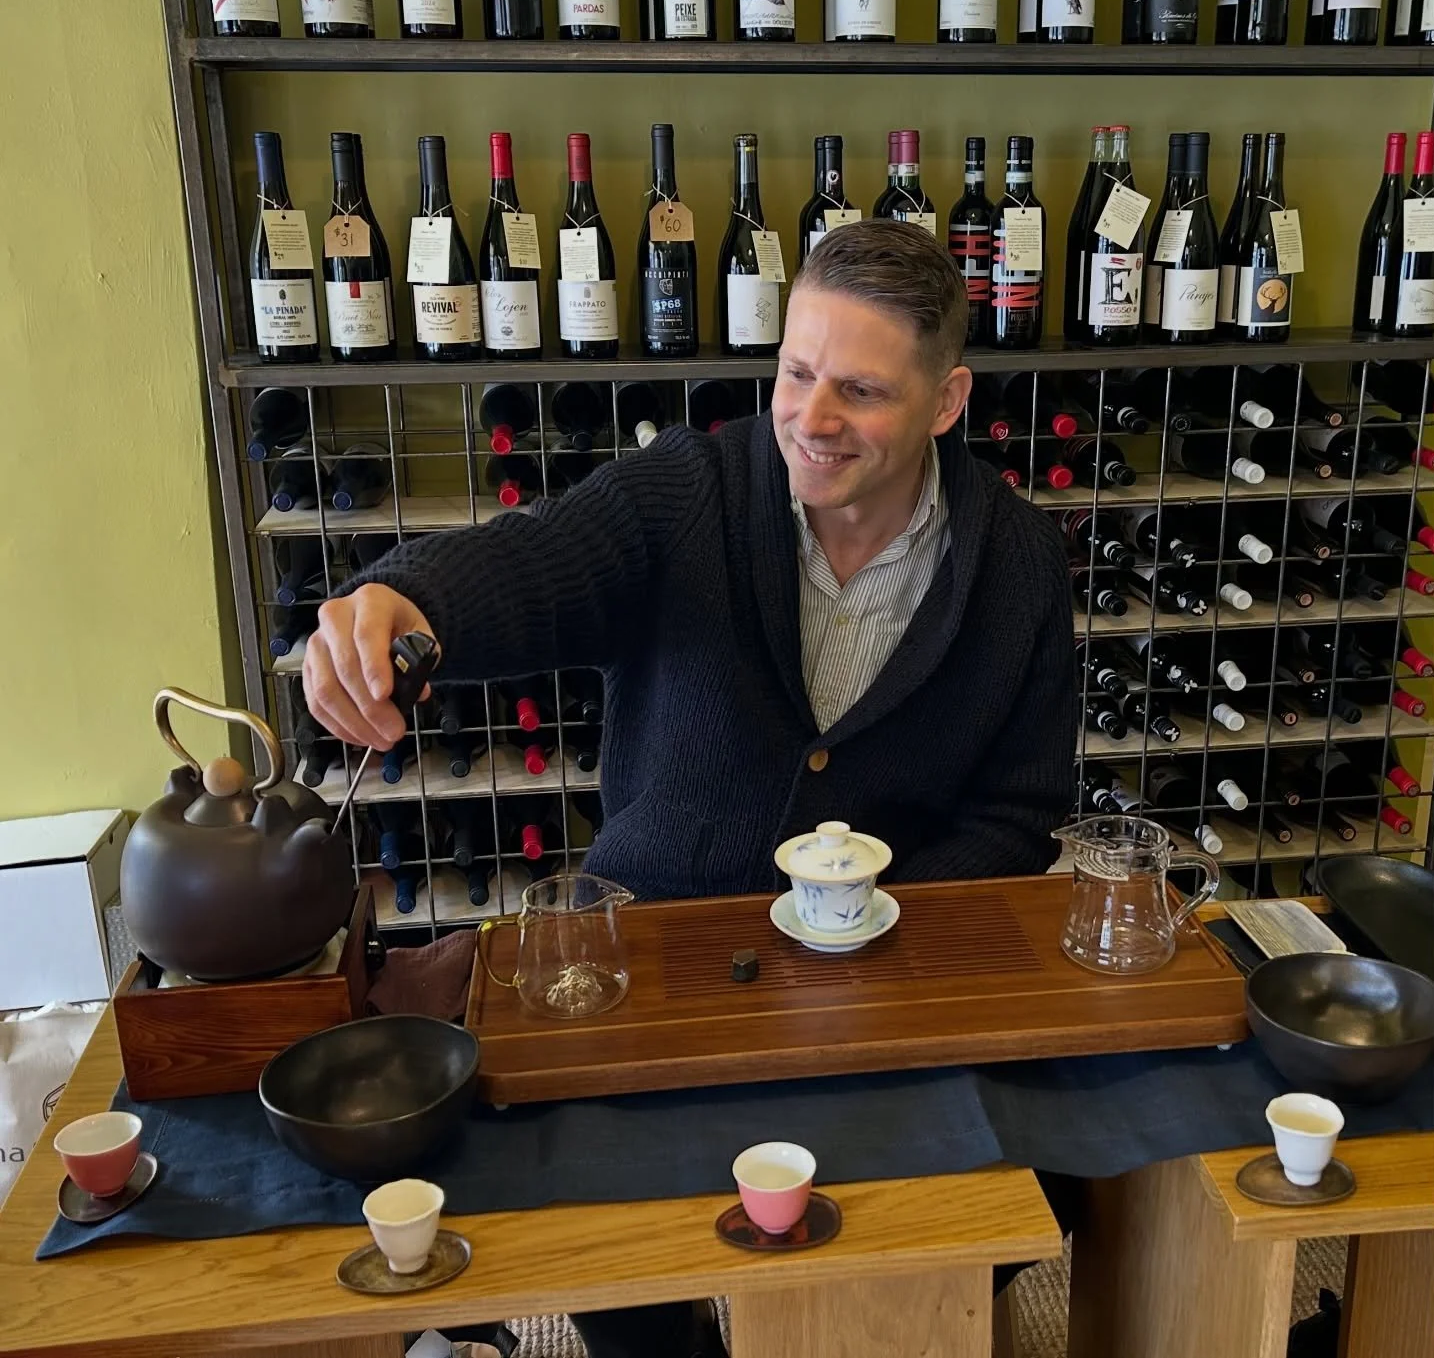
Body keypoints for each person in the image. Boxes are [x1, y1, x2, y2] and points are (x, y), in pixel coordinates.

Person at [306, 219, 1077, 1358]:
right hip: (651, 945)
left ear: (946, 400)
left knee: (1001, 1193)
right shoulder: (690, 491)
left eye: (859, 389)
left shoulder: (1017, 560)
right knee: (592, 1205)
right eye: (798, 372)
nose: (811, 419)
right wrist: (403, 598)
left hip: (894, 962)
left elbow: (1019, 811)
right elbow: (538, 558)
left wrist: (867, 921)